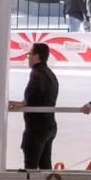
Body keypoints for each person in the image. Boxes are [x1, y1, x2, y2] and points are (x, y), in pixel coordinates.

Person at [10, 41, 59, 171]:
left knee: (30, 169)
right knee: (45, 167)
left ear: (37, 56)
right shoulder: (50, 74)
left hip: (37, 129)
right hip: (49, 126)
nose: (28, 58)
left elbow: (29, 100)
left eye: (30, 54)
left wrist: (15, 104)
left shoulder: (36, 74)